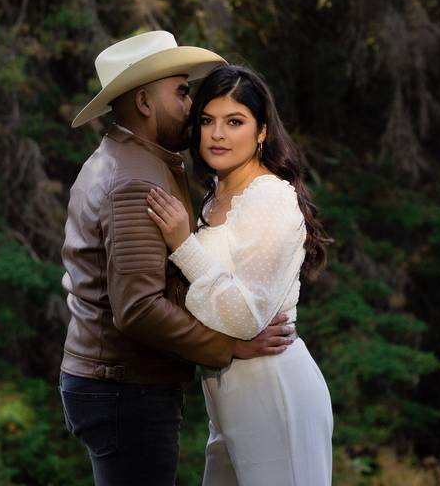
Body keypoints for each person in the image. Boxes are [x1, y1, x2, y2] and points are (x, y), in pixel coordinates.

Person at [60, 31, 296, 486]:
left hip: (118, 382)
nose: (191, 106)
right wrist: (228, 348)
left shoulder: (131, 159)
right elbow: (138, 308)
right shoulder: (134, 179)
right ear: (146, 103)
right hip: (125, 389)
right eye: (182, 91)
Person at [146, 65, 334, 486]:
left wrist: (182, 245)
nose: (217, 135)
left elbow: (245, 316)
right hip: (227, 400)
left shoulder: (270, 198)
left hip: (275, 392)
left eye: (235, 122)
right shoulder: (215, 197)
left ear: (262, 131)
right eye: (208, 121)